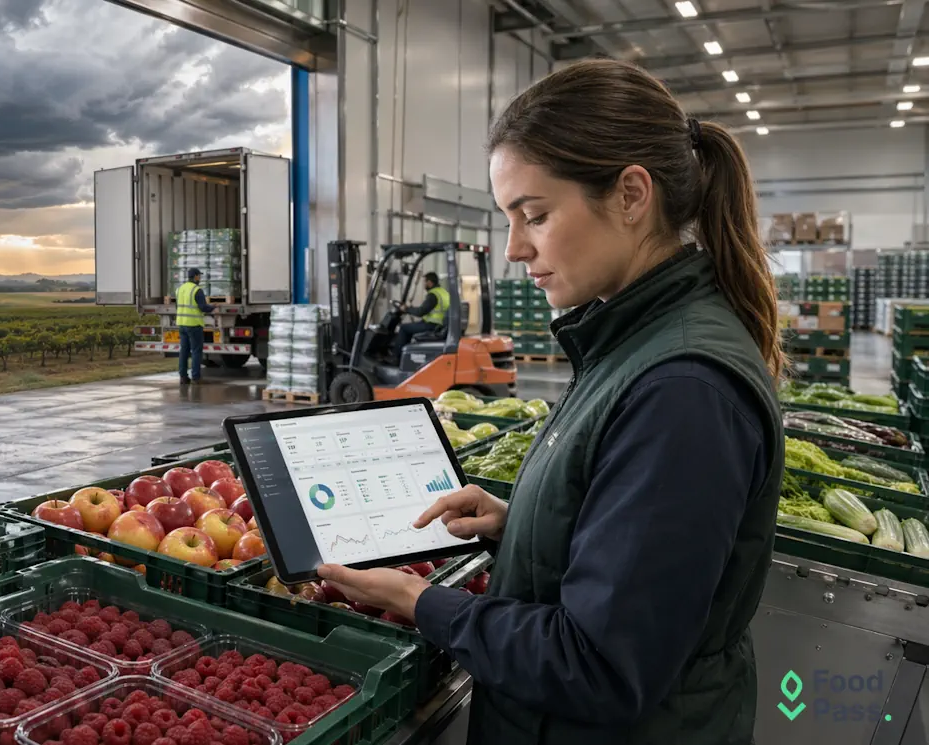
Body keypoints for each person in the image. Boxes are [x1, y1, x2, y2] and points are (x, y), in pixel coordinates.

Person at [317, 58, 784, 745]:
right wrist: (523, 524)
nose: (513, 248)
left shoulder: (683, 389)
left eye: (533, 214)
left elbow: (600, 664)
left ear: (631, 195)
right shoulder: (632, 339)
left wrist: (423, 602)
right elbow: (634, 554)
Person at [390, 272, 451, 360]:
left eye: (424, 282)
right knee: (410, 327)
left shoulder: (433, 295)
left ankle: (395, 357)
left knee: (403, 328)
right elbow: (427, 309)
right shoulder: (443, 292)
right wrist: (409, 309)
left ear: (429, 282)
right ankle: (404, 355)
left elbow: (420, 312)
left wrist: (406, 309)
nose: (423, 285)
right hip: (439, 325)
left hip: (432, 325)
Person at [175, 268, 216, 385]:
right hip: (194, 324)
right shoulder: (196, 290)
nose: (200, 278)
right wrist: (213, 306)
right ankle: (196, 377)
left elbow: (178, 307)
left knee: (184, 351)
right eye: (199, 276)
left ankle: (183, 377)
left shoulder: (180, 289)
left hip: (182, 324)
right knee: (196, 351)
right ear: (196, 277)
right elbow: (203, 307)